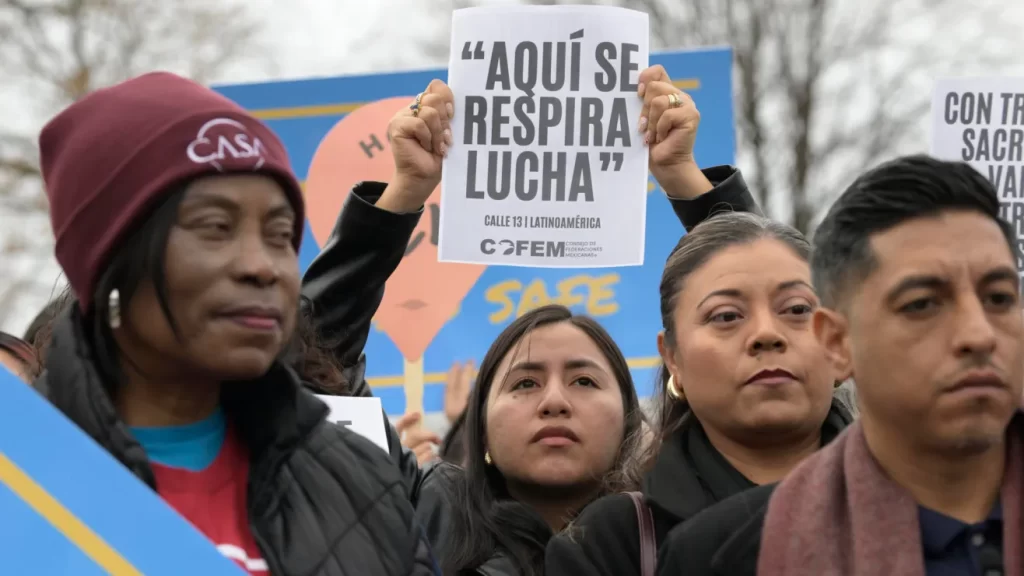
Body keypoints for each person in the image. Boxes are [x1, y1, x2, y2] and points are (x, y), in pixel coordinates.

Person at [33, 71, 452, 575]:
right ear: (109, 259)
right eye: (216, 227)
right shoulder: (23, 477)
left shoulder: (360, 486)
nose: (262, 265)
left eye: (279, 234)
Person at [657, 155, 1024, 576]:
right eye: (921, 304)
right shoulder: (724, 555)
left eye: (999, 298)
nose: (978, 335)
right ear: (836, 342)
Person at [545, 211, 855, 576]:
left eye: (797, 309)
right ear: (673, 358)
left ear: (837, 342)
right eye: (726, 316)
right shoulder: (611, 541)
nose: (767, 333)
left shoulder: (925, 502)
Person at [423, 305, 646, 576]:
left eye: (584, 381)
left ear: (628, 417)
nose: (554, 402)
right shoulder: (416, 546)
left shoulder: (681, 546)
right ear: (482, 431)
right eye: (526, 383)